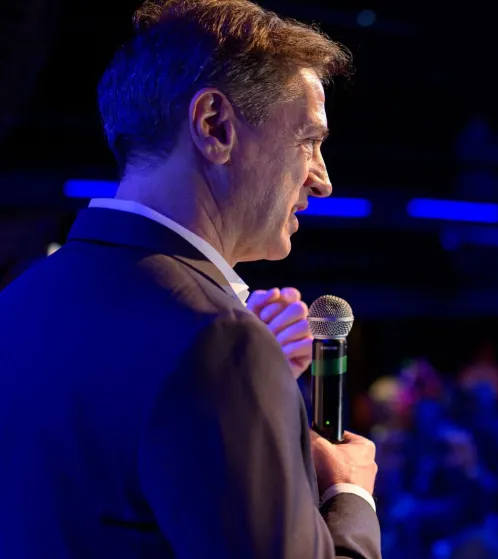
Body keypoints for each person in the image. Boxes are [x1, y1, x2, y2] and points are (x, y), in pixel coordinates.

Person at [0, 0, 380, 557]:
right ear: (214, 126)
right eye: (308, 141)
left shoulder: (18, 303)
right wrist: (349, 494)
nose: (322, 180)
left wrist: (255, 397)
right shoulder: (218, 342)